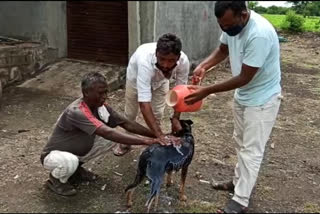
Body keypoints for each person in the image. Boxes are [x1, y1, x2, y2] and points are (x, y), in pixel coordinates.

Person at [185, 1, 282, 213]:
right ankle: (240, 183)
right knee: (240, 142)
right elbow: (222, 49)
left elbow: (245, 77)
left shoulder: (259, 34)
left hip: (263, 98)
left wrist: (207, 90)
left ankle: (241, 199)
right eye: (222, 26)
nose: (226, 30)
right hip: (244, 95)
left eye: (229, 26)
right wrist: (203, 65)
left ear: (243, 15)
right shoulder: (230, 25)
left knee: (251, 150)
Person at [40, 72, 173, 196]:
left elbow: (126, 123)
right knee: (71, 161)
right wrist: (146, 141)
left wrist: (158, 135)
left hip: (75, 150)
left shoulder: (100, 106)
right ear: (86, 92)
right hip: (53, 156)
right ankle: (55, 180)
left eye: (106, 92)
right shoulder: (76, 111)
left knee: (110, 139)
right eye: (100, 93)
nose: (105, 96)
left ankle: (75, 170)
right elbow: (106, 131)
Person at [113, 33, 191, 156]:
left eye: (171, 61)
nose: (165, 65)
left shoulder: (184, 61)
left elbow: (180, 92)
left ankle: (155, 142)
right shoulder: (145, 61)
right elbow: (144, 104)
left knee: (158, 113)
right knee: (130, 113)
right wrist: (161, 134)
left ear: (178, 57)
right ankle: (126, 141)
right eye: (162, 59)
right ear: (156, 54)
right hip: (135, 80)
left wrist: (176, 118)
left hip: (160, 82)